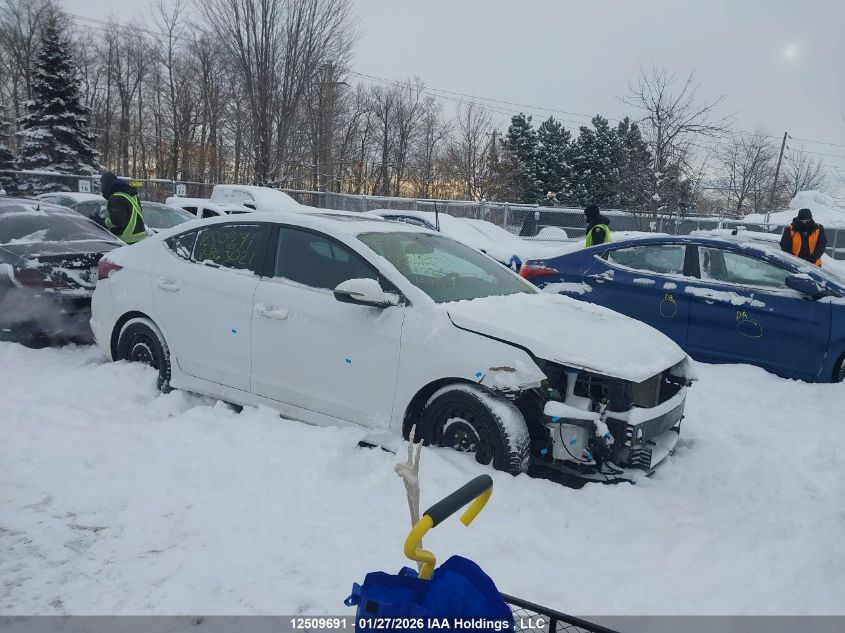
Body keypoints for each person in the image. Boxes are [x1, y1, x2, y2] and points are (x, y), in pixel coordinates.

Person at [100, 171, 146, 244]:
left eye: (102, 184)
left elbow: (117, 221)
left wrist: (103, 222)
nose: (101, 187)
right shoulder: (133, 195)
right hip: (141, 238)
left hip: (126, 241)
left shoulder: (116, 198)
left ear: (106, 185)